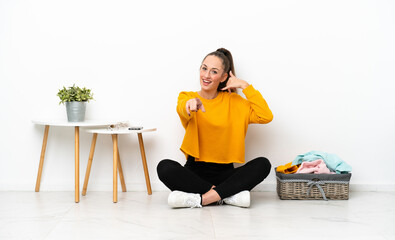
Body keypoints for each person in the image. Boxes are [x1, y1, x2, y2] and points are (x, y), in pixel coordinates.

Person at [157, 48, 273, 208]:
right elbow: (182, 108)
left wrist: (245, 86)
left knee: (263, 164)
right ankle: (225, 196)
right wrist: (190, 105)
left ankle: (202, 199)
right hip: (194, 173)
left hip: (226, 174)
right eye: (204, 68)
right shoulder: (187, 97)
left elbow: (266, 116)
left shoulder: (235, 102)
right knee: (164, 167)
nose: (206, 75)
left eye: (214, 71)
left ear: (224, 77)